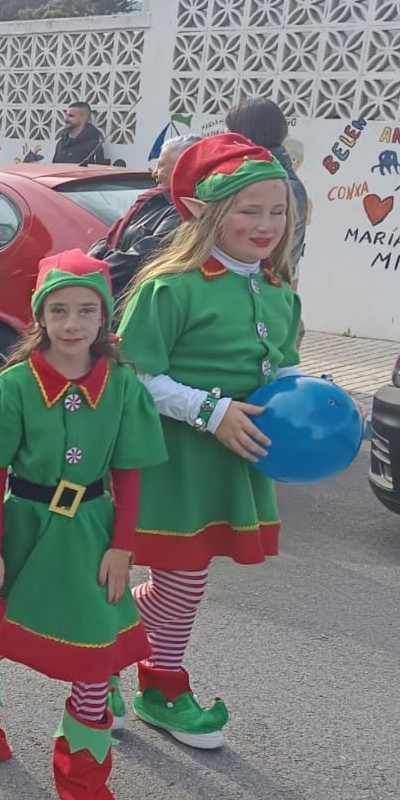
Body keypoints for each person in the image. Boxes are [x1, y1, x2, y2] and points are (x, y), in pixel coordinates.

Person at [0, 251, 167, 800]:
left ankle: (84, 780)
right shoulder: (13, 386)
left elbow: (130, 474)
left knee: (94, 653)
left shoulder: (124, 387)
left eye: (87, 310)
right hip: (27, 528)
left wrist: (122, 548)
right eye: (58, 310)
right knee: (6, 626)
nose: (72, 323)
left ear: (104, 317)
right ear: (40, 316)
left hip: (91, 532)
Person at [115, 133, 303, 750]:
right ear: (204, 211)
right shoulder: (169, 286)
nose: (267, 224)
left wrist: (316, 408)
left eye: (278, 211)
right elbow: (134, 374)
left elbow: (282, 370)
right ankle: (118, 667)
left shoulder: (281, 292)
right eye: (250, 210)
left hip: (228, 461)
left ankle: (147, 678)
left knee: (184, 579)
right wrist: (208, 409)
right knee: (151, 574)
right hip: (164, 457)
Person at [91, 134, 195, 299]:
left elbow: (143, 255)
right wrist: (86, 265)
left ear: (183, 170)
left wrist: (92, 276)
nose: (154, 173)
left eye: (160, 166)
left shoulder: (183, 212)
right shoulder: (150, 202)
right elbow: (109, 241)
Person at [225, 98, 309, 272]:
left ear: (244, 138)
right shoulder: (268, 177)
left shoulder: (277, 185)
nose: (224, 142)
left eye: (228, 135)